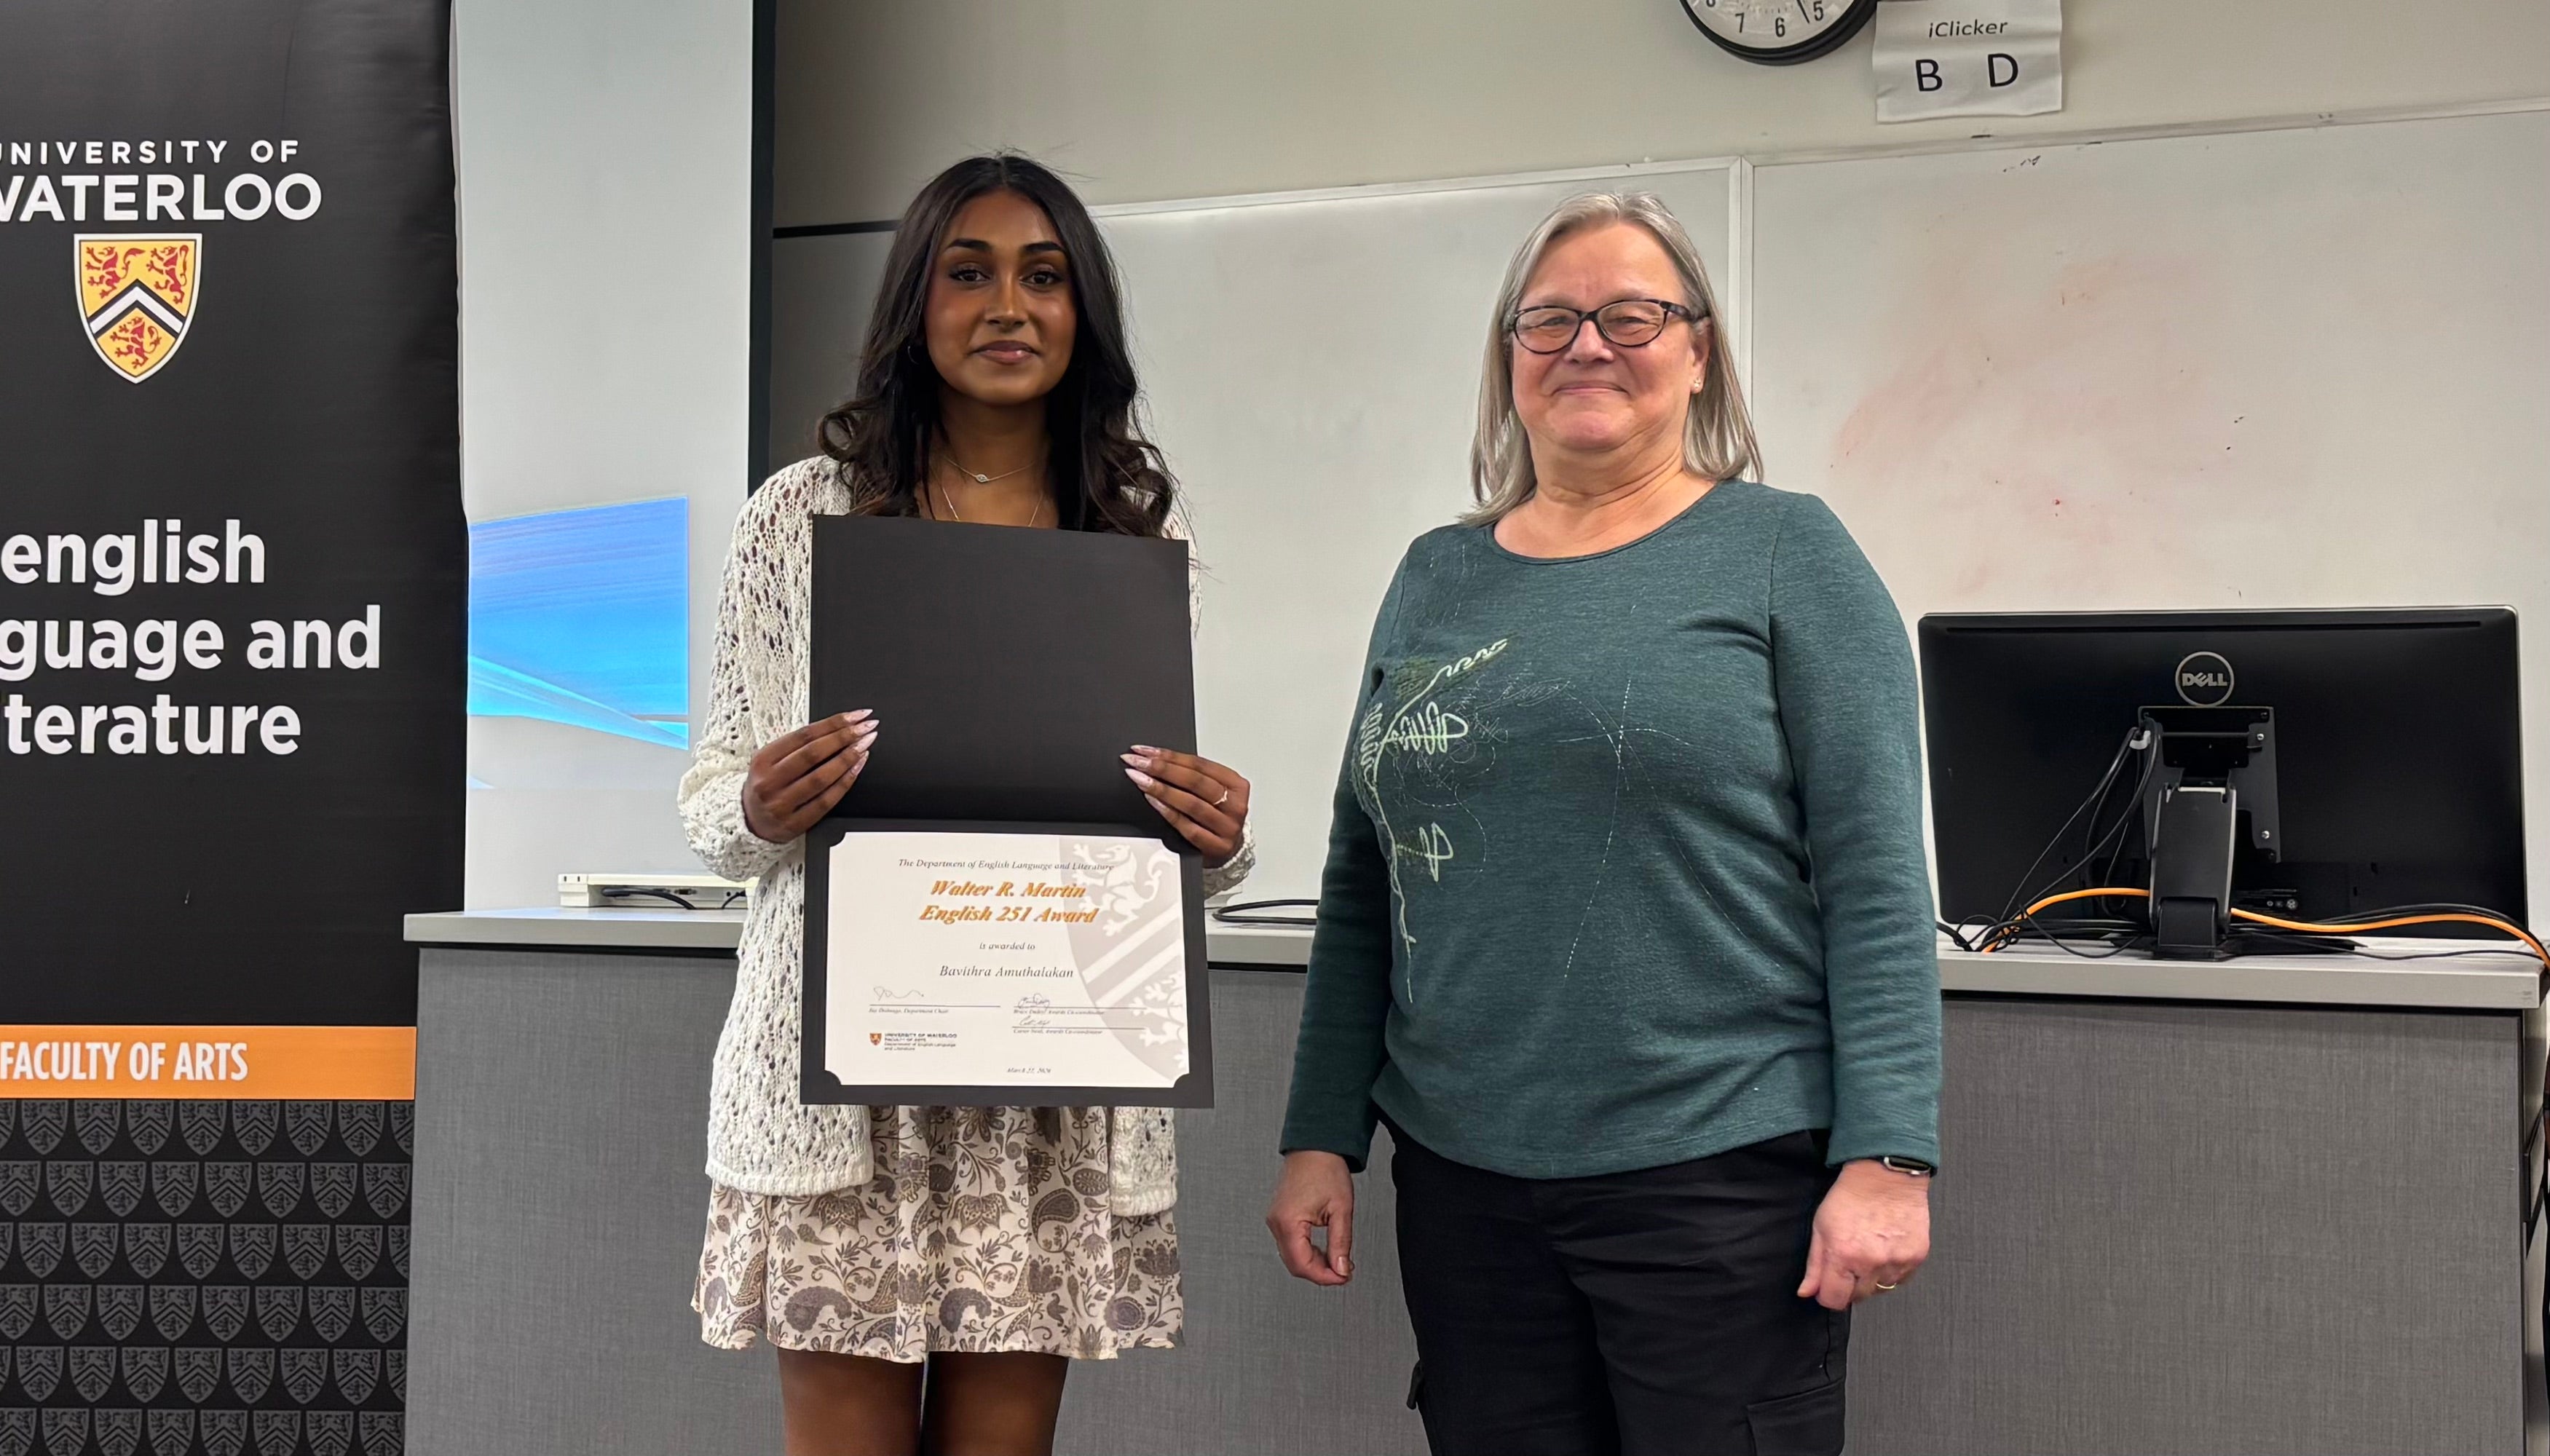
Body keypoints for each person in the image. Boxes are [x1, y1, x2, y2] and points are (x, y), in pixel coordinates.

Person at [1266, 191, 1941, 1456]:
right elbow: (1365, 880)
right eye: (1551, 320)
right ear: (1509, 358)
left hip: (1712, 1169)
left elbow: (1873, 881)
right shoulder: (1435, 573)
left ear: (1697, 353)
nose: (1587, 345)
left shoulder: (1785, 551)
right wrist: (1320, 1135)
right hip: (1462, 1181)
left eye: (1631, 316)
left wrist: (1890, 1156)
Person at [679, 154, 1255, 1456]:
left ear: (1082, 310)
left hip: (1045, 1076)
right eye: (968, 273)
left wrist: (1215, 841)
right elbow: (714, 803)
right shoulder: (801, 515)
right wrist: (759, 807)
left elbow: (1137, 826)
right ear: (915, 304)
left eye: (1043, 277)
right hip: (845, 1083)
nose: (1009, 306)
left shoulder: (1129, 534)